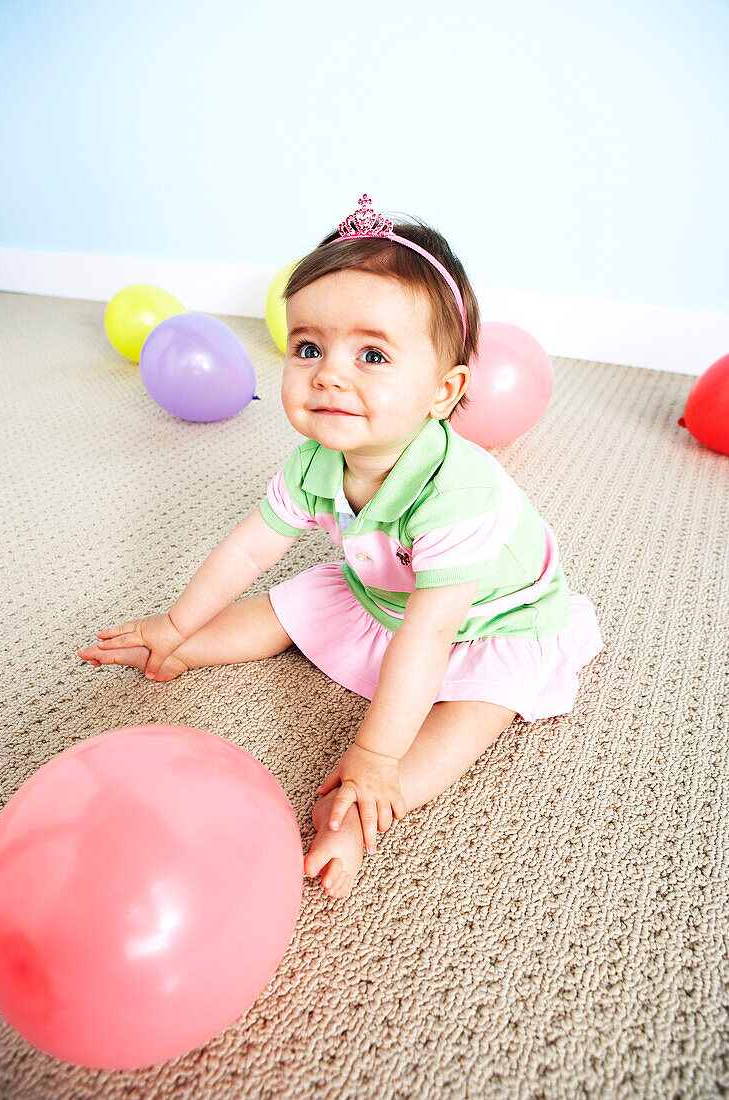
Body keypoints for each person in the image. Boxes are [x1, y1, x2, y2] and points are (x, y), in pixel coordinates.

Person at [78, 194, 604, 900]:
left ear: (443, 393)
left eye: (372, 354)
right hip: (382, 589)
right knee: (288, 604)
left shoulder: (460, 494)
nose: (329, 374)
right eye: (308, 348)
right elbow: (247, 551)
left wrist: (372, 754)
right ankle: (174, 648)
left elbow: (432, 630)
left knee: (473, 711)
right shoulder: (314, 459)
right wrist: (179, 620)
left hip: (483, 620)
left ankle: (360, 818)